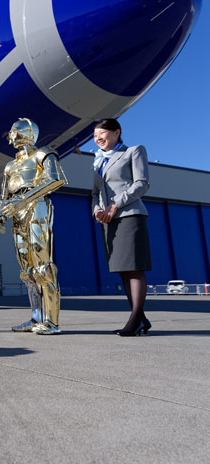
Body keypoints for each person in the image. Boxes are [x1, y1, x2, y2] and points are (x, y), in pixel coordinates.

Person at [0, 118, 66, 335]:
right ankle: (36, 317)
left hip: (37, 207)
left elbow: (56, 179)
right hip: (16, 213)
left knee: (43, 265)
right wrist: (2, 215)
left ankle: (51, 322)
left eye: (14, 132)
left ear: (26, 132)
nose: (11, 137)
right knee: (26, 271)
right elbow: (5, 194)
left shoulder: (43, 154)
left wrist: (25, 200)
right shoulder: (10, 166)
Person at [91, 118, 152, 336]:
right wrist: (97, 210)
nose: (98, 138)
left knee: (134, 268)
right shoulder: (98, 161)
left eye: (102, 133)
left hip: (129, 215)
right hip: (108, 220)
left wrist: (115, 204)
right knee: (123, 270)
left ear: (116, 132)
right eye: (95, 135)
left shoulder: (133, 151)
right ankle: (141, 319)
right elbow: (95, 193)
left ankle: (134, 319)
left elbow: (141, 184)